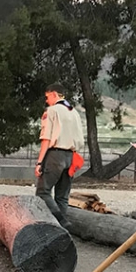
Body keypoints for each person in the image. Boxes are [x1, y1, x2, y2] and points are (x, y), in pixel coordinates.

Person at [34, 83, 84, 229]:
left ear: (55, 94)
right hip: (71, 156)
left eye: (47, 97)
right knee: (62, 196)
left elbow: (46, 138)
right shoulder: (74, 112)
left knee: (43, 192)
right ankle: (60, 229)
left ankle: (61, 221)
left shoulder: (52, 111)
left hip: (55, 155)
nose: (46, 100)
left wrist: (39, 162)